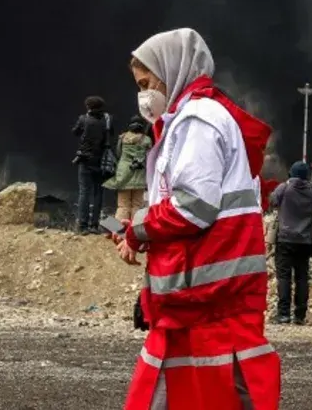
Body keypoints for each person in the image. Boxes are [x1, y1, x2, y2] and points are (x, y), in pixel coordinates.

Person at [112, 27, 280, 410]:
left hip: (210, 301)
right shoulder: (188, 121)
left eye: (146, 83)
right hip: (198, 303)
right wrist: (142, 235)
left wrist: (139, 230)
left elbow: (193, 207)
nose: (144, 96)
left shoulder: (197, 121)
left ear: (171, 71)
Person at [268, 161, 312, 325]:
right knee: (302, 277)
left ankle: (283, 314)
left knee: (284, 277)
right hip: (305, 241)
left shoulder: (284, 188)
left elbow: (273, 202)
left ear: (291, 174)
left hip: (285, 239)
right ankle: (300, 315)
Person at [72, 95, 114, 234]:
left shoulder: (83, 119)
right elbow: (110, 135)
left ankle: (82, 226)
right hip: (101, 161)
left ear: (88, 106)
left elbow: (75, 132)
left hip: (85, 160)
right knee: (98, 193)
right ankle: (94, 226)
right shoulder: (107, 119)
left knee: (84, 192)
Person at [104, 120, 152, 221]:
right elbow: (150, 155)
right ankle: (135, 226)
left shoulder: (122, 137)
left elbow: (118, 153)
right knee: (137, 204)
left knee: (123, 205)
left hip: (124, 173)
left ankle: (119, 227)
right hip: (139, 173)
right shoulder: (147, 140)